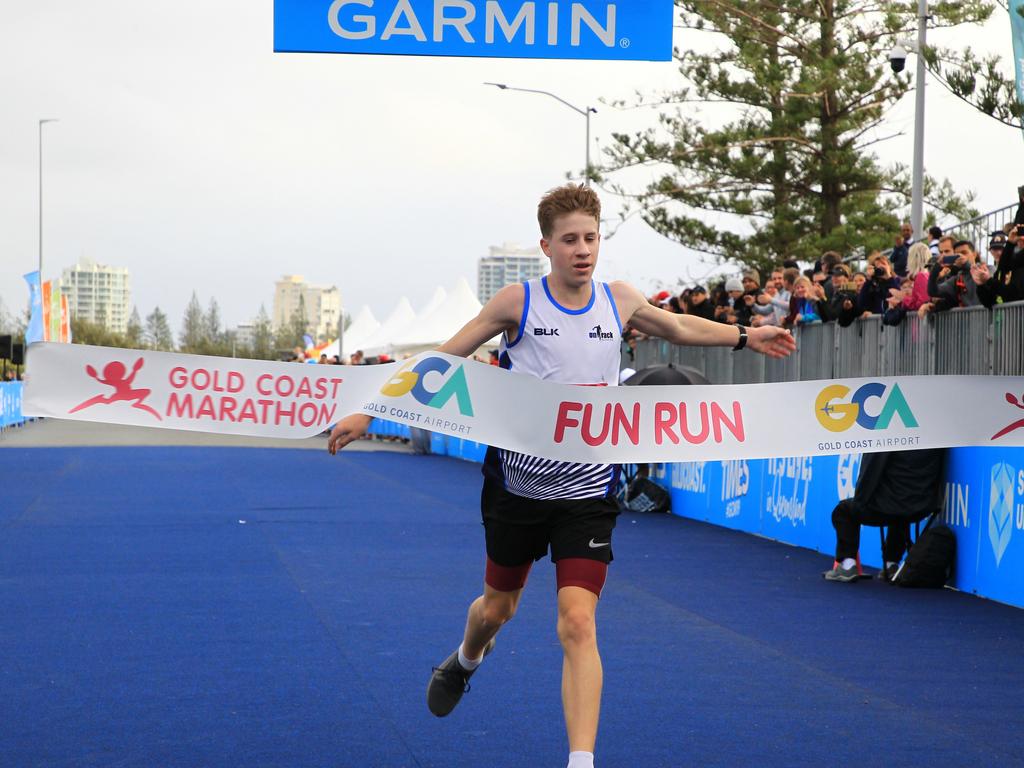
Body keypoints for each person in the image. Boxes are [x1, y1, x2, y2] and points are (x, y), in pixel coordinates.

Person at [326, 184, 795, 768]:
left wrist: (748, 336)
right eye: (569, 240)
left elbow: (677, 328)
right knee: (497, 611)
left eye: (591, 239)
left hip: (588, 493)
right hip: (517, 489)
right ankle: (466, 659)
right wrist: (371, 409)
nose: (582, 250)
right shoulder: (516, 304)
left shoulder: (617, 300)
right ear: (545, 245)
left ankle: (580, 761)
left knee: (578, 622)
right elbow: (439, 362)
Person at [824, 449, 946, 582]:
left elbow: (870, 472)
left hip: (889, 507)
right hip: (923, 507)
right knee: (899, 512)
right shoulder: (934, 438)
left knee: (842, 511)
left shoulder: (887, 437)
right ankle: (891, 563)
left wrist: (860, 502)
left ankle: (847, 566)